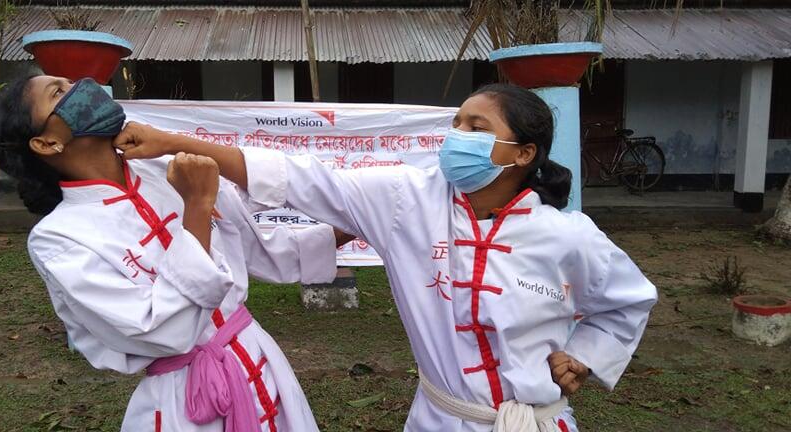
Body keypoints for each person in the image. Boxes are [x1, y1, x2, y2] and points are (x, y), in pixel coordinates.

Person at [113, 83, 659, 432]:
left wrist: (585, 353)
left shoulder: (569, 236)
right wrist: (168, 141)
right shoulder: (407, 198)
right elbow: (296, 176)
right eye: (457, 123)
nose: (457, 137)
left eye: (477, 128)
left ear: (522, 154)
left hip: (536, 424)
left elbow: (628, 302)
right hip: (442, 420)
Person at [0, 74, 352, 432]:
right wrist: (196, 206)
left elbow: (265, 253)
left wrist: (365, 220)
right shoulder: (59, 238)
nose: (81, 88)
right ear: (46, 143)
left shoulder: (169, 169)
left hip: (261, 363)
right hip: (185, 401)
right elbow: (163, 332)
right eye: (58, 92)